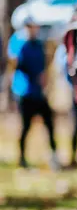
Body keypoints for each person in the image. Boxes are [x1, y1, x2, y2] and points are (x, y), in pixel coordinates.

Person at [8, 21, 60, 170]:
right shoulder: (19, 44)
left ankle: (54, 156)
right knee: (26, 127)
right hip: (25, 92)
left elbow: (44, 64)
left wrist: (44, 79)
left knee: (49, 123)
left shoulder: (39, 44)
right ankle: (22, 158)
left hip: (39, 93)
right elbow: (15, 64)